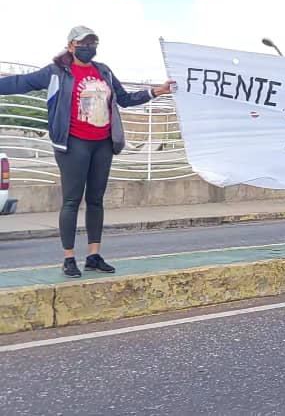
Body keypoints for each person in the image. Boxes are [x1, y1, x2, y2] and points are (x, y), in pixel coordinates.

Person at [0, 26, 174, 278]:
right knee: (71, 201)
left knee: (96, 200)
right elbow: (20, 82)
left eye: (93, 43)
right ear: (71, 45)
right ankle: (69, 258)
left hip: (102, 143)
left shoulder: (103, 71)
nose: (89, 47)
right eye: (84, 43)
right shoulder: (57, 72)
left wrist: (156, 91)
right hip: (73, 144)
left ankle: (94, 255)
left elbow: (124, 99)